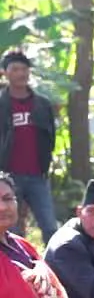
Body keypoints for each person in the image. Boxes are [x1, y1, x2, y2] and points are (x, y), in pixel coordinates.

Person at [0, 50, 58, 243]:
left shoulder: (42, 104)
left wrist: (46, 165)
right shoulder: (1, 104)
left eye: (24, 69)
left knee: (50, 226)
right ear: (4, 73)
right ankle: (14, 269)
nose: (21, 73)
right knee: (11, 229)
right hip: (8, 177)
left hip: (37, 176)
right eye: (15, 69)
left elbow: (50, 137)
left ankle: (54, 270)